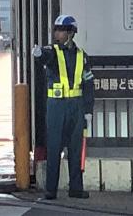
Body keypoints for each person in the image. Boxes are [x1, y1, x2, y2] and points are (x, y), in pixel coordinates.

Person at [33, 14, 94, 200]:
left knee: (75, 149)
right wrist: (38, 54)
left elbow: (88, 85)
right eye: (56, 30)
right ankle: (51, 189)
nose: (57, 34)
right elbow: (44, 55)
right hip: (56, 107)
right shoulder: (52, 52)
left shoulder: (82, 56)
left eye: (61, 30)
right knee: (54, 148)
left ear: (70, 33)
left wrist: (88, 111)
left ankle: (76, 188)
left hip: (76, 107)